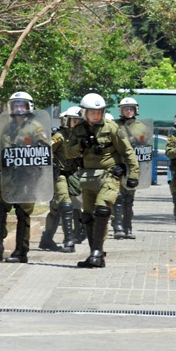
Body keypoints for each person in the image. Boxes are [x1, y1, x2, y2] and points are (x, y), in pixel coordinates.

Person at [65, 93, 139, 268]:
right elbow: (68, 153)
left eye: (99, 112)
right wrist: (80, 146)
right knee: (88, 216)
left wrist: (133, 174)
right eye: (92, 112)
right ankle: (95, 254)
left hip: (109, 175)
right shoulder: (78, 130)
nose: (96, 115)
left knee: (102, 210)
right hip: (88, 177)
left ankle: (98, 252)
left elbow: (127, 151)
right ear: (84, 112)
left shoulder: (112, 128)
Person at [0, 91, 49, 263]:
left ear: (29, 107)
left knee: (23, 213)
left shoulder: (36, 128)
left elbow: (44, 153)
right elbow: (0, 154)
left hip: (26, 178)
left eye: (22, 105)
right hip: (8, 178)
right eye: (15, 105)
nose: (19, 108)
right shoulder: (7, 128)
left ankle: (21, 252)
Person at [38, 106, 84, 253]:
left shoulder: (83, 137)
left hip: (74, 174)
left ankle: (46, 239)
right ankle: (69, 240)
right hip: (59, 174)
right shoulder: (60, 136)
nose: (76, 123)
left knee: (56, 208)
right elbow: (44, 150)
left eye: (79, 121)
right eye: (74, 121)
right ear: (67, 121)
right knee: (65, 204)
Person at [111, 97, 149, 240]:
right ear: (121, 110)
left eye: (130, 108)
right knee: (118, 198)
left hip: (133, 166)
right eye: (125, 108)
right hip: (118, 165)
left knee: (128, 199)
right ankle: (118, 227)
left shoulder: (141, 127)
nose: (128, 111)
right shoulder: (114, 125)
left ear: (135, 110)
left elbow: (146, 144)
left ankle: (128, 227)